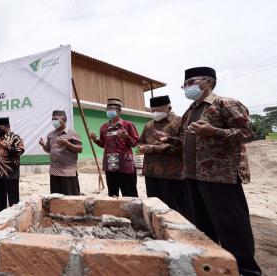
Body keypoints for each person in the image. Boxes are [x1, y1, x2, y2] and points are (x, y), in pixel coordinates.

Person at [160, 67, 261, 275]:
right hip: (192, 176)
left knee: (232, 228)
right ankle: (211, 267)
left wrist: (214, 131)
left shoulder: (226, 103)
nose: (187, 88)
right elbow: (187, 140)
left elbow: (248, 133)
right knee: (201, 228)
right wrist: (170, 140)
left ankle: (246, 270)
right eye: (185, 84)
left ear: (208, 82)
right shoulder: (189, 111)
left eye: (191, 83)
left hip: (220, 177)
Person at [138, 95, 185, 214]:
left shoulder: (179, 122)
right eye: (153, 110)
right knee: (154, 206)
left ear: (168, 108)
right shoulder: (149, 125)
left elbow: (183, 143)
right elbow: (140, 141)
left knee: (174, 208)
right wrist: (142, 147)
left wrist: (154, 148)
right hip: (151, 172)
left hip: (172, 173)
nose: (155, 113)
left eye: (158, 110)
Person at [89, 98, 139, 197]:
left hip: (125, 164)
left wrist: (126, 137)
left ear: (119, 110)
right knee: (112, 193)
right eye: (107, 109)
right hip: (110, 163)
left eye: (111, 109)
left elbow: (135, 143)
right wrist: (95, 140)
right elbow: (104, 145)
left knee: (129, 193)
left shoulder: (128, 125)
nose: (109, 111)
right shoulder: (104, 127)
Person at [39, 110, 82, 195]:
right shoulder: (50, 135)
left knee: (70, 199)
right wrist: (43, 145)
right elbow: (48, 150)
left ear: (64, 120)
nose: (53, 121)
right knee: (56, 199)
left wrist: (67, 143)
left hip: (68, 172)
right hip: (54, 172)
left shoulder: (72, 134)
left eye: (56, 119)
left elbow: (80, 149)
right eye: (52, 119)